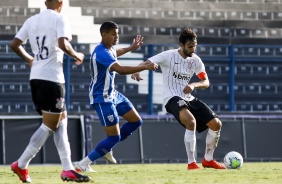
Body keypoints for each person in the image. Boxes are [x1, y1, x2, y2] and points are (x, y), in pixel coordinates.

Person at [9, 0, 91, 182]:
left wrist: (30, 59)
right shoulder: (60, 19)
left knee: (61, 121)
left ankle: (68, 168)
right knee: (50, 125)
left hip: (36, 77)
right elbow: (63, 44)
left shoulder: (32, 20)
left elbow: (14, 44)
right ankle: (21, 164)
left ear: (45, 2)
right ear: (61, 2)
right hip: (52, 79)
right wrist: (77, 55)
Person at [131, 28, 226, 170]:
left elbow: (205, 82)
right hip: (172, 97)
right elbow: (145, 63)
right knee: (191, 121)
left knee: (216, 124)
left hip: (189, 97)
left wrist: (194, 85)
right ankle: (191, 163)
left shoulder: (195, 60)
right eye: (190, 46)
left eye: (194, 46)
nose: (193, 49)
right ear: (181, 44)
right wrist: (137, 71)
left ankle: (208, 159)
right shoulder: (168, 56)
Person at [74, 21, 158, 172]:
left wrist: (131, 48)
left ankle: (108, 146)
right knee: (113, 137)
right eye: (113, 34)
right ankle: (83, 163)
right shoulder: (101, 52)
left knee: (136, 121)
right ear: (103, 34)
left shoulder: (109, 49)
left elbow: (116, 53)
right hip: (102, 98)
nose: (116, 37)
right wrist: (144, 66)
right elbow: (120, 69)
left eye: (117, 34)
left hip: (113, 94)